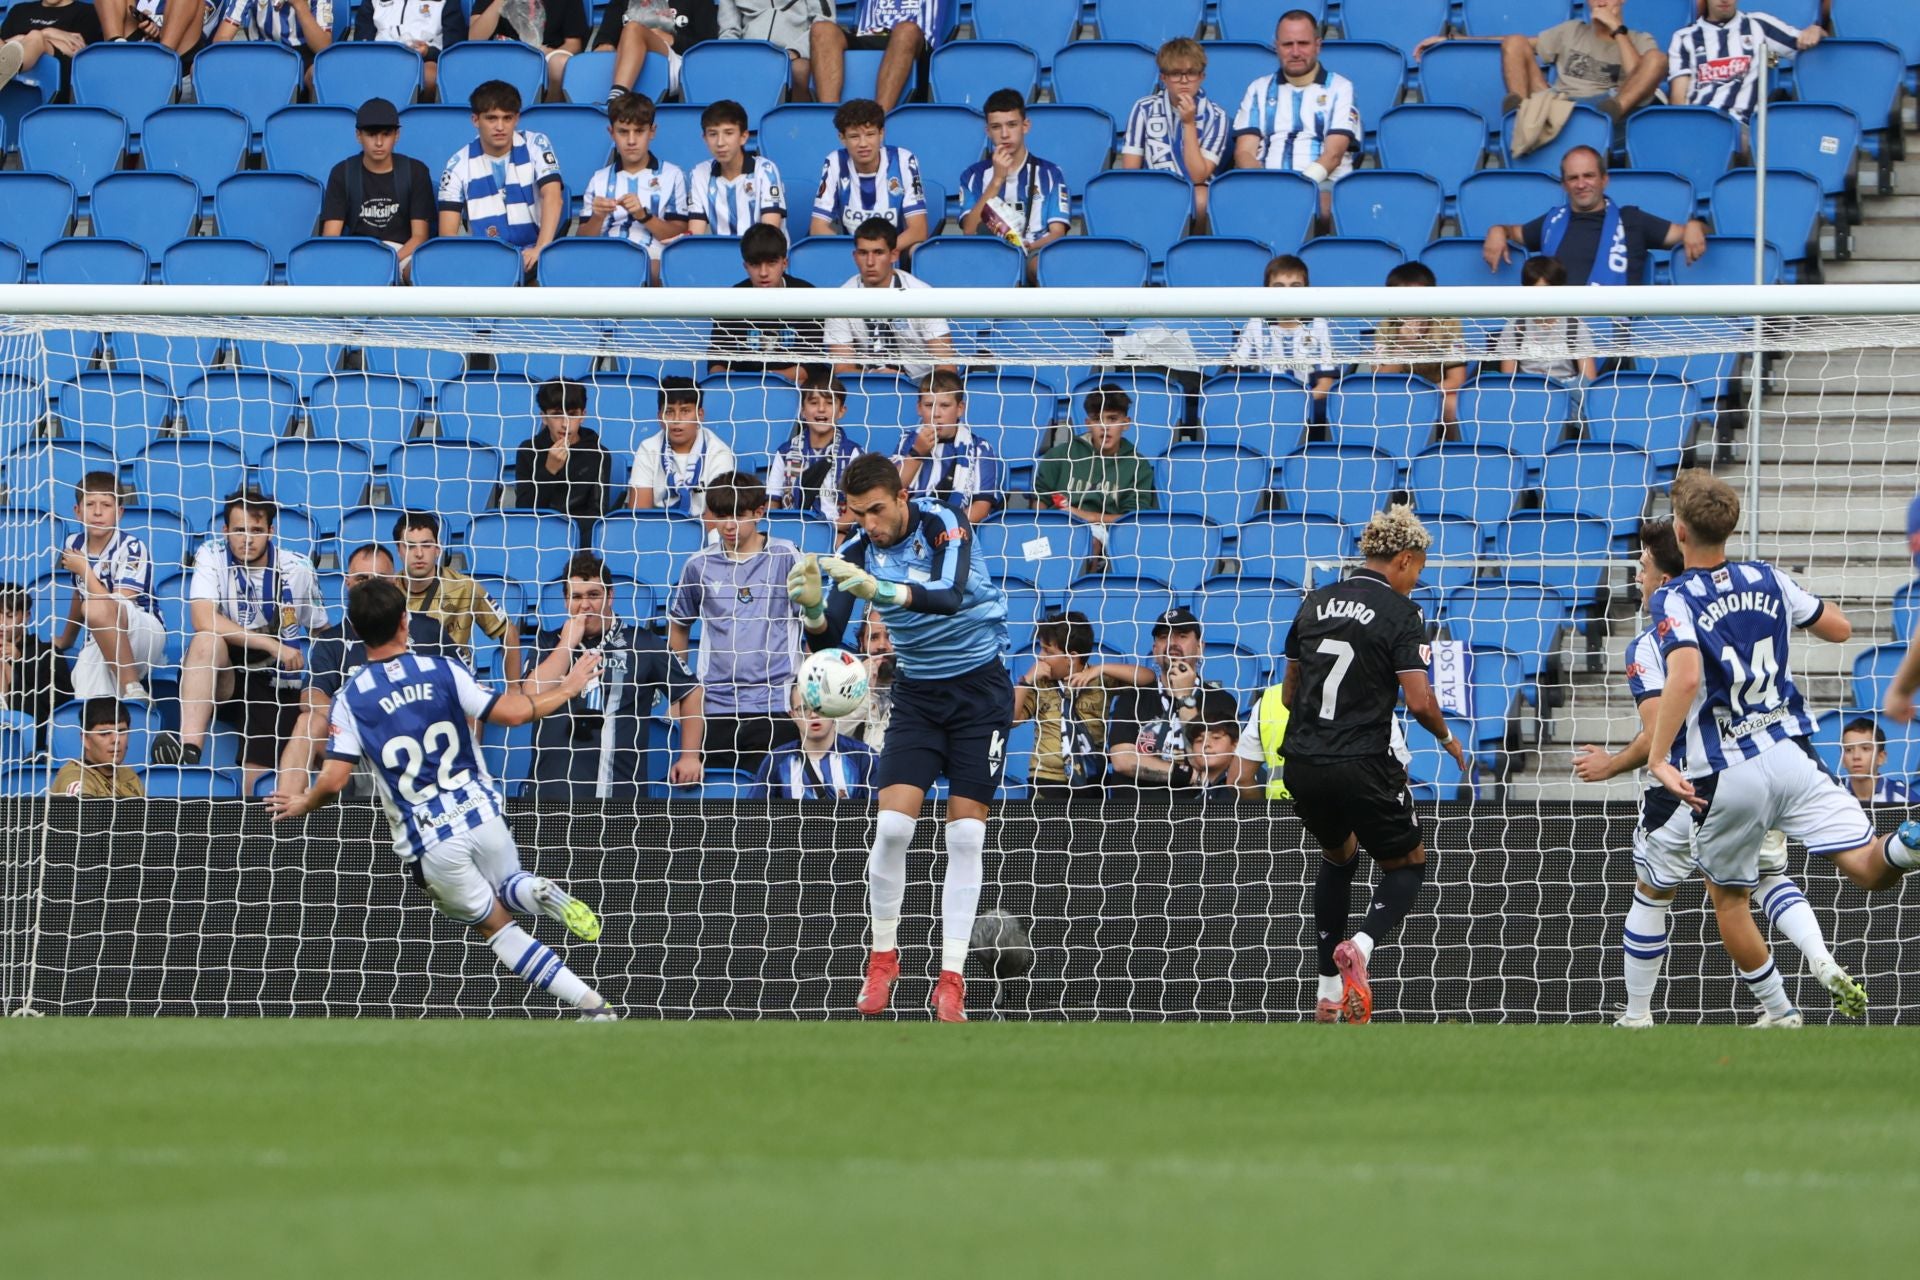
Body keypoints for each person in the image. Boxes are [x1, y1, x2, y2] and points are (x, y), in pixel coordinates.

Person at [266, 576, 619, 1021]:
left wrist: (303, 801)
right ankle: (532, 888)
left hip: (430, 837)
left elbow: (335, 780)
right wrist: (568, 688)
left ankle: (593, 1006)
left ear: (354, 632)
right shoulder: (443, 669)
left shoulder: (349, 700)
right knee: (507, 885)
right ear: (404, 621)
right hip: (481, 809)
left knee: (497, 925)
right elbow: (509, 713)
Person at [1643, 469, 1920, 1028]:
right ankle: (1911, 843)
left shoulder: (1674, 596)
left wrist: (1656, 757)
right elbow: (1840, 630)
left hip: (1727, 770)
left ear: (1680, 530)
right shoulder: (1767, 578)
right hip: (1793, 752)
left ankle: (1780, 1014)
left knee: (1729, 897)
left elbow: (1688, 675)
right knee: (1869, 866)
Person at [1572, 515, 1860, 1027]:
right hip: (1761, 763)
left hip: (1689, 786)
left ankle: (1639, 1015)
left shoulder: (1647, 645)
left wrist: (1613, 765)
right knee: (1769, 877)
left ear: (1665, 576)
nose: (1637, 575)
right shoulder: (1740, 608)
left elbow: (1657, 728)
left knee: (1654, 892)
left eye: (1642, 566)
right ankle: (1817, 960)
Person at [786, 452, 1012, 1023]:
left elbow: (950, 593)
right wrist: (813, 611)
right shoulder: (856, 552)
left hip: (980, 694)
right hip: (918, 696)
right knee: (891, 828)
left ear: (901, 497)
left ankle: (952, 978)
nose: (870, 524)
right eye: (859, 514)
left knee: (965, 839)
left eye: (877, 511)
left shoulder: (944, 519)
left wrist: (882, 593)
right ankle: (883, 958)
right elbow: (827, 643)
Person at [1282, 506, 1468, 1024]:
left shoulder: (1313, 603)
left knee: (1339, 857)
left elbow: (1289, 694)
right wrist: (1448, 738)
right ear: (1405, 560)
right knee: (1408, 864)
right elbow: (1419, 700)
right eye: (1419, 570)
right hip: (1362, 760)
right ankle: (1360, 946)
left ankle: (1327, 993)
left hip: (1303, 760)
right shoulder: (1400, 614)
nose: (1417, 581)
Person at [157, 494, 327, 798]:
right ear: (225, 531)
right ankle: (189, 748)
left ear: (271, 532)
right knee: (206, 638)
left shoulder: (297, 569)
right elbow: (202, 617)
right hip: (223, 671)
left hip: (272, 679)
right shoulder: (211, 553)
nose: (246, 540)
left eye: (256, 531)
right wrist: (272, 644)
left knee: (256, 786)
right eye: (239, 530)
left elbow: (321, 631)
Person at [526, 552, 703, 796]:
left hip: (619, 796)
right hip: (551, 794)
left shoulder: (642, 643)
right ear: (565, 601)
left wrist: (690, 756)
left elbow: (691, 691)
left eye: (594, 595)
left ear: (610, 596)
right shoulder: (545, 643)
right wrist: (567, 644)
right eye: (576, 596)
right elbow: (530, 695)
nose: (585, 605)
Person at [278, 543, 449, 796]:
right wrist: (361, 722)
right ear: (347, 582)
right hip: (353, 757)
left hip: (413, 755)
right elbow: (310, 697)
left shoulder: (428, 631)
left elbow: (460, 697)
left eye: (379, 579)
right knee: (307, 721)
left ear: (395, 583)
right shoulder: (332, 640)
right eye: (362, 578)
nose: (370, 587)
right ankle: (283, 823)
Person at [670, 471, 806, 774]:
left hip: (775, 707)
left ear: (759, 512)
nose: (728, 525)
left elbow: (810, 622)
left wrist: (803, 692)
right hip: (715, 709)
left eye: (737, 516)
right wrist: (679, 689)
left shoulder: (786, 556)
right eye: (720, 516)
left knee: (771, 809)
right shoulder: (698, 565)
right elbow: (679, 625)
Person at [1482, 145, 1707, 284]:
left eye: (1588, 175)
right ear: (1564, 185)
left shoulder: (1633, 220)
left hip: (1608, 335)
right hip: (1557, 332)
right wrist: (1497, 230)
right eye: (1573, 178)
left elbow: (1694, 234)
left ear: (1604, 180)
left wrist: (1696, 225)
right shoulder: (1552, 221)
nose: (1581, 184)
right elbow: (1513, 231)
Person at [1413, 0, 1665, 123]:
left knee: (1656, 59)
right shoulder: (1571, 30)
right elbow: (1518, 43)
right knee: (1514, 40)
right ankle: (1518, 112)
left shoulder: (1638, 39)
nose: (1600, 3)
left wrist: (1617, 30)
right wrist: (1452, 39)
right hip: (1560, 106)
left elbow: (1639, 75)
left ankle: (1606, 117)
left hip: (1609, 106)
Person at [1232, 9, 1361, 226]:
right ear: (1276, 47)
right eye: (1287, 44)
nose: (1295, 52)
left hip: (1323, 185)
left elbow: (1334, 154)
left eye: (1303, 43)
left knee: (1324, 206)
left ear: (1318, 45)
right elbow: (1244, 152)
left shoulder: (1340, 87)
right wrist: (1265, 186)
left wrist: (1295, 191)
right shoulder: (1258, 88)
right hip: (1266, 185)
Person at [53, 472, 164, 705]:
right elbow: (78, 593)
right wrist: (66, 639)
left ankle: (133, 686)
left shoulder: (132, 547)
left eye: (106, 505)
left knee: (95, 606)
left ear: (120, 512)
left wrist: (85, 570)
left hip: (142, 631)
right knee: (90, 697)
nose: (97, 512)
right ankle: (137, 714)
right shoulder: (73, 544)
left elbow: (114, 607)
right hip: (101, 639)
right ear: (77, 511)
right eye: (90, 504)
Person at [436, 80, 565, 278]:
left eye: (507, 118)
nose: (500, 126)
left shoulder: (536, 144)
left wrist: (541, 248)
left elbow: (553, 197)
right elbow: (448, 235)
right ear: (475, 120)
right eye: (491, 118)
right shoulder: (457, 164)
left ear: (517, 119)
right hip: (484, 261)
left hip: (536, 253)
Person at [1103, 606, 1225, 791]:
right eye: (1163, 636)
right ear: (1154, 649)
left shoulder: (1220, 701)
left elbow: (1204, 761)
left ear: (1200, 647)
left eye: (1181, 635)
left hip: (1194, 812)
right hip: (1134, 814)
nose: (1171, 642)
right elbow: (1122, 761)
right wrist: (1187, 775)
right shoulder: (1131, 698)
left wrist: (1184, 697)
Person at [393, 510, 522, 685]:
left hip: (455, 684)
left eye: (426, 545)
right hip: (404, 686)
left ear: (438, 549)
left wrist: (514, 688)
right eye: (410, 546)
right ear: (399, 550)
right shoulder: (386, 591)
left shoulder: (464, 587)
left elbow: (508, 631)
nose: (419, 553)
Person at [958, 88, 1071, 283]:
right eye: (996, 127)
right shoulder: (972, 176)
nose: (1004, 134)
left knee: (1044, 267)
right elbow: (970, 230)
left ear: (1025, 126)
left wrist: (1029, 247)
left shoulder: (1051, 173)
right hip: (988, 255)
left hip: (1035, 253)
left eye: (1012, 125)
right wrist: (996, 181)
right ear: (987, 131)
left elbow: (1057, 233)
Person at [1119, 37, 1230, 232]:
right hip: (1152, 187)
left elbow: (1198, 176)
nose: (1185, 81)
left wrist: (1188, 123)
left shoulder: (1217, 116)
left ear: (1202, 76)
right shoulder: (1144, 108)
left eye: (1191, 73)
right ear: (1163, 78)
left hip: (1195, 191)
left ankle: (1193, 248)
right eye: (1176, 74)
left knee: (1202, 199)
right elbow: (1130, 171)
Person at [823, 218, 955, 381]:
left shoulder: (922, 295)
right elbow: (842, 369)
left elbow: (946, 366)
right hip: (866, 385)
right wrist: (875, 376)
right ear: (855, 256)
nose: (870, 262)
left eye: (878, 253)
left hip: (920, 387)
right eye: (863, 253)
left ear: (893, 255)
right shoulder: (839, 301)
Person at [319, 98, 435, 280]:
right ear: (359, 135)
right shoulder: (342, 172)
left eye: (386, 134)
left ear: (397, 135)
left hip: (402, 253)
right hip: (358, 254)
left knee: (418, 273)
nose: (379, 142)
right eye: (371, 134)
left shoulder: (416, 171)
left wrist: (388, 261)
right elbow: (331, 238)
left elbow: (420, 236)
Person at [580, 90, 688, 286]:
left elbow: (678, 234)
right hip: (605, 257)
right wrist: (597, 217)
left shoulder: (673, 175)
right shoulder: (599, 179)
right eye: (623, 132)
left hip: (654, 257)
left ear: (652, 131)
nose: (631, 141)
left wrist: (643, 215)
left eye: (639, 131)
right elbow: (583, 242)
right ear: (611, 133)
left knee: (653, 271)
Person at [1032, 383, 1160, 548]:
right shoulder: (1061, 455)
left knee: (1088, 542)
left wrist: (1088, 516)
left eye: (1112, 419)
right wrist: (1037, 530)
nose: (1104, 427)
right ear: (1087, 423)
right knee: (1025, 551)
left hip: (1107, 533)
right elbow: (1040, 499)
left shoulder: (1137, 465)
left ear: (1126, 423)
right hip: (1055, 529)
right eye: (1097, 419)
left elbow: (1133, 519)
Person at [1669, 0, 1822, 128]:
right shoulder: (1684, 37)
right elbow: (1678, 98)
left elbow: (1806, 43)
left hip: (1739, 128)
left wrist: (1817, 30)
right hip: (1696, 124)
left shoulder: (1759, 25)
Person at [1011, 609, 1113, 798]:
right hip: (1046, 778)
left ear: (1071, 657)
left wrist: (1101, 668)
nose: (1040, 656)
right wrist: (1026, 680)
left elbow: (1146, 678)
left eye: (1047, 651)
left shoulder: (1100, 680)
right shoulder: (1039, 683)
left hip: (1090, 777)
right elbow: (1010, 719)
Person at [809, 99, 930, 249]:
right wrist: (860, 254)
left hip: (894, 252)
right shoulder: (835, 162)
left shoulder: (903, 160)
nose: (863, 144)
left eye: (870, 134)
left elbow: (918, 230)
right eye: (854, 136)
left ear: (881, 133)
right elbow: (817, 228)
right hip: (852, 256)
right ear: (842, 138)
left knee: (917, 249)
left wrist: (878, 253)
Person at [707, 224, 821, 382]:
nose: (763, 273)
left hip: (795, 390)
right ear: (745, 266)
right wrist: (726, 379)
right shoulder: (731, 300)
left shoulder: (807, 296)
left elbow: (812, 366)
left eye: (771, 263)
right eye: (755, 264)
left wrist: (769, 380)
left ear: (785, 263)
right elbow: (716, 363)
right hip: (742, 390)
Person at [1229, 254, 1338, 417]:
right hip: (1261, 408)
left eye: (1295, 286)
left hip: (1305, 409)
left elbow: (1326, 384)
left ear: (1306, 289)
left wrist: (1294, 405)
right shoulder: (1256, 324)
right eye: (1279, 286)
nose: (1287, 294)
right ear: (1267, 290)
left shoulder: (1317, 325)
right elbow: (1235, 376)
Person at [892, 370, 1000, 528]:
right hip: (909, 527)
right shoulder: (907, 441)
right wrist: (917, 454)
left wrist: (943, 528)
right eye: (929, 405)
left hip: (955, 530)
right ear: (919, 408)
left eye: (945, 405)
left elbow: (981, 507)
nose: (936, 414)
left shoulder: (979, 448)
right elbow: (890, 489)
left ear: (960, 408)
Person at [1367, 262, 1467, 432]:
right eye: (1402, 300)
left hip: (1438, 391)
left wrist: (1424, 395)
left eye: (1416, 299)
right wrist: (1404, 345)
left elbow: (1457, 380)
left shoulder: (1448, 323)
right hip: (1396, 394)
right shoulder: (1386, 326)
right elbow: (1381, 380)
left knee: (1453, 404)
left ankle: (1450, 452)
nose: (1409, 306)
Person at [768, 371, 865, 530]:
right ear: (803, 411)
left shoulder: (853, 453)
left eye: (829, 402)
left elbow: (859, 506)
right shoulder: (785, 452)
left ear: (841, 411)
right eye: (813, 402)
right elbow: (773, 504)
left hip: (836, 534)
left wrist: (829, 532)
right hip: (792, 533)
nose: (821, 409)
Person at [626, 378, 738, 517]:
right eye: (669, 411)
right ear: (659, 417)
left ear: (700, 415)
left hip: (703, 532)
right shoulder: (648, 449)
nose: (676, 419)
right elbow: (639, 515)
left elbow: (716, 518)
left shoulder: (719, 452)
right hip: (657, 529)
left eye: (685, 411)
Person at [808, 0, 946, 111]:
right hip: (868, 35)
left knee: (906, 31)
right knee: (822, 29)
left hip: (916, 41)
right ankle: (830, 117)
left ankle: (878, 120)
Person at [750, 681, 878, 800]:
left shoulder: (864, 757)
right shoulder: (776, 760)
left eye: (820, 706)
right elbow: (755, 816)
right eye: (804, 709)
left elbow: (880, 812)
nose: (813, 715)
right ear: (792, 715)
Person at [1490, 256, 1600, 392]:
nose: (1540, 299)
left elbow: (1588, 380)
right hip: (1529, 392)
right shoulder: (1515, 326)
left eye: (1546, 291)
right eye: (1534, 292)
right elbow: (1508, 382)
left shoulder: (1574, 325)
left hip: (1566, 393)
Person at [512, 378, 611, 523]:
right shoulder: (528, 451)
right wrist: (549, 471)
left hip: (580, 539)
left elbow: (597, 515)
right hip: (537, 535)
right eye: (557, 414)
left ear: (583, 416)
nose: (565, 424)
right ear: (544, 418)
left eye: (572, 414)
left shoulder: (599, 454)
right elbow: (524, 511)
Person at [686, 99, 788, 236]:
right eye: (713, 134)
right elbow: (695, 234)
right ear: (704, 138)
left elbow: (769, 235)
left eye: (728, 133)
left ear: (743, 137)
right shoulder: (699, 173)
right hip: (719, 255)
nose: (720, 143)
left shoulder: (765, 170)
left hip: (763, 255)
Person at [0, 583, 73, 749]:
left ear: (26, 616)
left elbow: (59, 702)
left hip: (32, 735)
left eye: (9, 615)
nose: (2, 623)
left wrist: (20, 660)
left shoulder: (47, 651)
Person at [468, 0, 587, 99]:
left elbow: (574, 44)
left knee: (559, 63)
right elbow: (475, 38)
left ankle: (546, 111)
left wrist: (543, 54)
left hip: (548, 55)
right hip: (503, 53)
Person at [353, 0, 466, 97]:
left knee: (429, 76)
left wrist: (428, 52)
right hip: (380, 58)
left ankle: (420, 116)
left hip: (424, 60)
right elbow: (362, 40)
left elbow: (454, 48)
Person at [717, 0, 825, 100]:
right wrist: (733, 57)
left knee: (799, 70)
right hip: (750, 52)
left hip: (796, 52)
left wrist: (797, 50)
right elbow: (728, 31)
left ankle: (799, 117)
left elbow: (824, 22)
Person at [1, 0, 102, 99]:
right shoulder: (19, 10)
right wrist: (47, 33)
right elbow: (4, 46)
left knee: (36, 37)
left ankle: (6, 67)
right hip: (12, 85)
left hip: (56, 80)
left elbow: (77, 50)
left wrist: (37, 37)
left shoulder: (87, 12)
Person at [50, 697, 143, 799]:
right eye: (104, 733)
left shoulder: (128, 774)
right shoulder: (74, 777)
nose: (116, 740)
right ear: (85, 738)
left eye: (121, 731)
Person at [211, 0, 333, 67]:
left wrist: (300, 5)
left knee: (318, 76)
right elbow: (221, 38)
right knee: (209, 66)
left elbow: (323, 47)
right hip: (261, 54)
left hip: (303, 54)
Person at [1174, 691, 1246, 798]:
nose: (1206, 744)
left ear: (1235, 744)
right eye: (1199, 740)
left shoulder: (1244, 783)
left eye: (1216, 738)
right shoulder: (1199, 793)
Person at [1233, 676, 1293, 801]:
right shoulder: (1344, 695)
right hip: (1338, 813)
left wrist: (1264, 815)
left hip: (1281, 814)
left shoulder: (1270, 699)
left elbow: (1240, 779)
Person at [844, 609, 894, 750]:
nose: (882, 646)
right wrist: (863, 689)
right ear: (862, 643)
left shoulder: (916, 688)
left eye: (890, 637)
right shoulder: (843, 682)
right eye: (873, 637)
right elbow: (835, 735)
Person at [1839, 718, 1914, 805]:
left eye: (1865, 748)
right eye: (1849, 750)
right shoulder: (1832, 793)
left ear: (1881, 757)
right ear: (1843, 759)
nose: (1856, 756)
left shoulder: (1902, 795)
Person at [100, 0, 216, 56]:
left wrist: (158, 28)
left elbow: (201, 19)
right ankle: (115, 48)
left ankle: (160, 61)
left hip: (177, 52)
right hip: (134, 47)